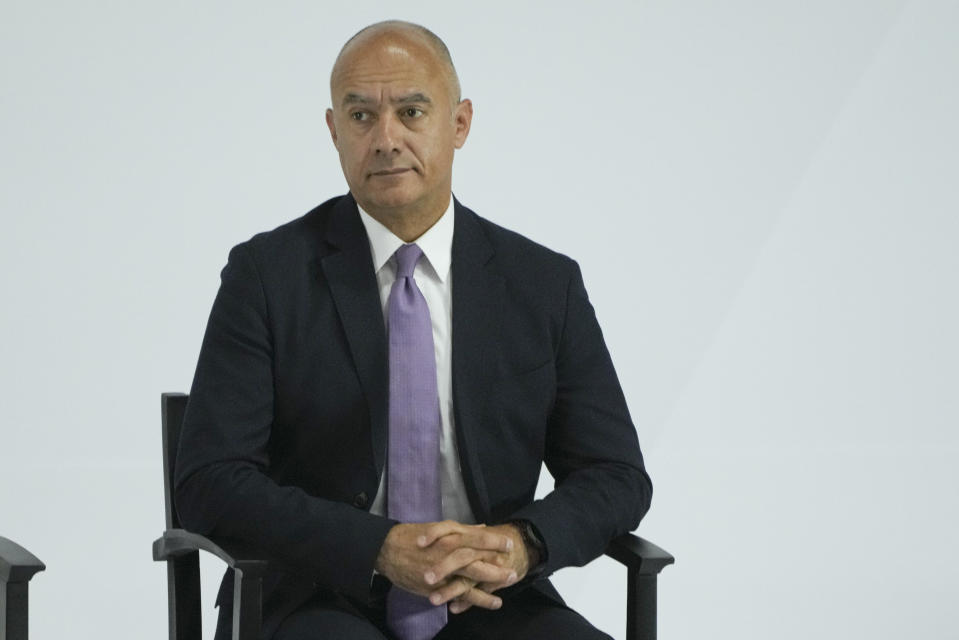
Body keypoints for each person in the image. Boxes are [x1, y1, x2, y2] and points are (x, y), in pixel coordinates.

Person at [174, 20, 652, 640]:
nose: (386, 139)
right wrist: (379, 546)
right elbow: (210, 482)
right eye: (361, 116)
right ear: (333, 130)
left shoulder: (542, 283)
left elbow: (615, 475)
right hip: (318, 594)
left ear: (459, 124)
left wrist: (523, 543)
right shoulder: (267, 276)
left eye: (411, 111)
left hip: (491, 600)